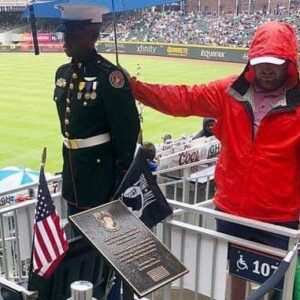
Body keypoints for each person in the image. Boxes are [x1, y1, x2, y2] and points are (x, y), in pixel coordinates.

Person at [128, 21, 300, 300]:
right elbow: (183, 99)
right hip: (231, 209)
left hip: (278, 219)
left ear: (289, 63)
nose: (267, 69)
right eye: (260, 61)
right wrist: (135, 88)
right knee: (237, 273)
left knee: (279, 285)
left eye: (275, 62)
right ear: (251, 60)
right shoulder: (228, 92)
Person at [53, 4, 140, 300]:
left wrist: (118, 184)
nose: (63, 39)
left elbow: (127, 135)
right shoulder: (62, 73)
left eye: (71, 33)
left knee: (108, 252)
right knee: (79, 250)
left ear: (91, 34)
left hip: (102, 183)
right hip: (75, 175)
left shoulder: (110, 76)